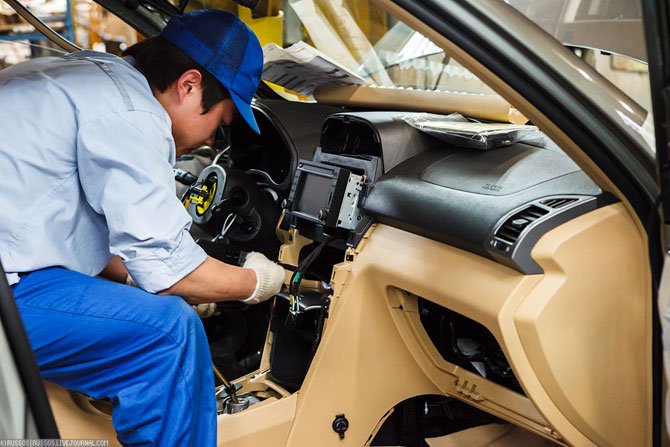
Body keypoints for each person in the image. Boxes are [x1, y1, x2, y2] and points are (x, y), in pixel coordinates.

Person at [0, 9, 284, 446]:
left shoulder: (84, 76)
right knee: (169, 335)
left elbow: (71, 231)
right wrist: (259, 282)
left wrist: (140, 279)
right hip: (10, 288)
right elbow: (171, 272)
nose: (213, 141)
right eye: (221, 123)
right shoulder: (131, 112)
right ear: (189, 85)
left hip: (13, 267)